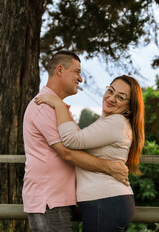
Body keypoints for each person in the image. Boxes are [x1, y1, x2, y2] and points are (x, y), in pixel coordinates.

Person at [22, 51, 129, 232]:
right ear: (60, 70)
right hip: (48, 202)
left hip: (57, 202)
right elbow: (67, 152)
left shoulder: (57, 107)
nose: (80, 79)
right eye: (77, 71)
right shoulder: (44, 106)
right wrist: (109, 167)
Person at [35, 74, 145, 232]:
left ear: (130, 107)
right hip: (107, 202)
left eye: (120, 97)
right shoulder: (109, 121)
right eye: (110, 91)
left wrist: (59, 104)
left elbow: (71, 140)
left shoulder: (116, 122)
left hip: (105, 202)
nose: (111, 98)